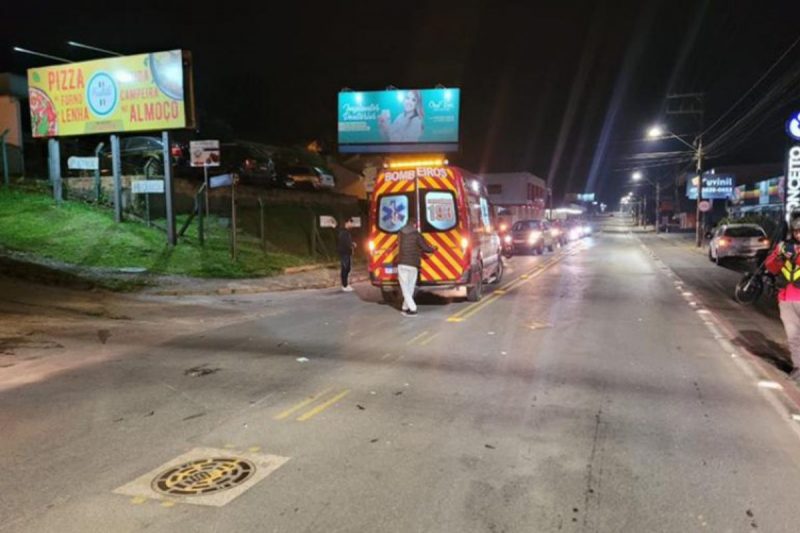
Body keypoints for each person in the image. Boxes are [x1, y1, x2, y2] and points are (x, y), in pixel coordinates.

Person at [765, 217, 800, 380]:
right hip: (787, 297)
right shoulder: (784, 246)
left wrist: (796, 257)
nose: (799, 235)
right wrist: (780, 256)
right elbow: (771, 267)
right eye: (796, 231)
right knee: (793, 336)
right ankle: (798, 367)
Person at [397, 216, 436, 316]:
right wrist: (433, 249)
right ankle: (413, 308)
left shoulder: (400, 233)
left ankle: (405, 307)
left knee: (405, 287)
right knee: (409, 287)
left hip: (402, 263)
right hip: (413, 264)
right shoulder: (417, 235)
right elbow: (425, 248)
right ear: (414, 224)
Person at [337, 219, 356, 292]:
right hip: (344, 253)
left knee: (347, 269)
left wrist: (352, 244)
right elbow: (345, 243)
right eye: (351, 223)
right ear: (347, 223)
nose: (352, 225)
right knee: (345, 269)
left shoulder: (345, 232)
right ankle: (344, 285)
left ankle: (346, 284)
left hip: (347, 253)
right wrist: (352, 245)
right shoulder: (343, 232)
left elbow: (347, 242)